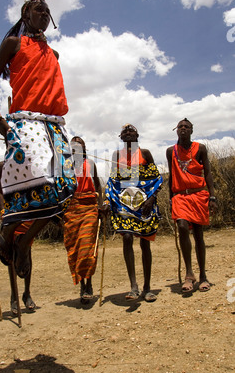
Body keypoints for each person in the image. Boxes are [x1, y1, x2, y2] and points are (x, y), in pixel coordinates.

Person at [0, 0, 76, 279]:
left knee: (65, 189)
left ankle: (23, 242)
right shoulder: (13, 44)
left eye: (47, 11)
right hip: (26, 122)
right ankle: (8, 230)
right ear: (26, 15)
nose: (44, 14)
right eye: (38, 9)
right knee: (38, 181)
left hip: (55, 126)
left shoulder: (54, 54)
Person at [105, 124, 163, 302]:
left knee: (145, 243)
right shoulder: (116, 156)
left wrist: (151, 199)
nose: (128, 133)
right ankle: (133, 286)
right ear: (121, 137)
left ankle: (147, 287)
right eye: (125, 132)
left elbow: (157, 178)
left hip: (145, 203)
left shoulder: (145, 153)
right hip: (124, 203)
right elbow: (114, 181)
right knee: (128, 237)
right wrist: (108, 200)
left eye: (131, 131)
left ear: (137, 135)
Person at [166, 118, 217, 294]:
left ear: (191, 131)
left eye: (187, 127)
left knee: (198, 233)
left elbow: (208, 171)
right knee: (182, 226)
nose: (183, 129)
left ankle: (203, 276)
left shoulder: (200, 148)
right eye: (180, 126)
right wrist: (171, 196)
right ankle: (189, 274)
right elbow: (172, 175)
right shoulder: (170, 151)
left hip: (198, 194)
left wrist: (212, 195)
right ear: (176, 130)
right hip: (180, 195)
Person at [63, 137, 103, 303]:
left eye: (79, 146)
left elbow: (99, 186)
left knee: (87, 247)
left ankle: (89, 284)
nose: (76, 148)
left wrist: (101, 206)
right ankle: (82, 284)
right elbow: (60, 189)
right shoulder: (64, 166)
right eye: (73, 146)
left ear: (83, 149)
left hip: (89, 208)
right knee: (76, 248)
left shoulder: (90, 164)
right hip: (71, 211)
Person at [0, 161, 35, 314]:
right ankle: (14, 297)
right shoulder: (2, 165)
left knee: (26, 252)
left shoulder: (30, 163)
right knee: (11, 256)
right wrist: (3, 211)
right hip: (11, 212)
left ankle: (27, 293)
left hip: (28, 211)